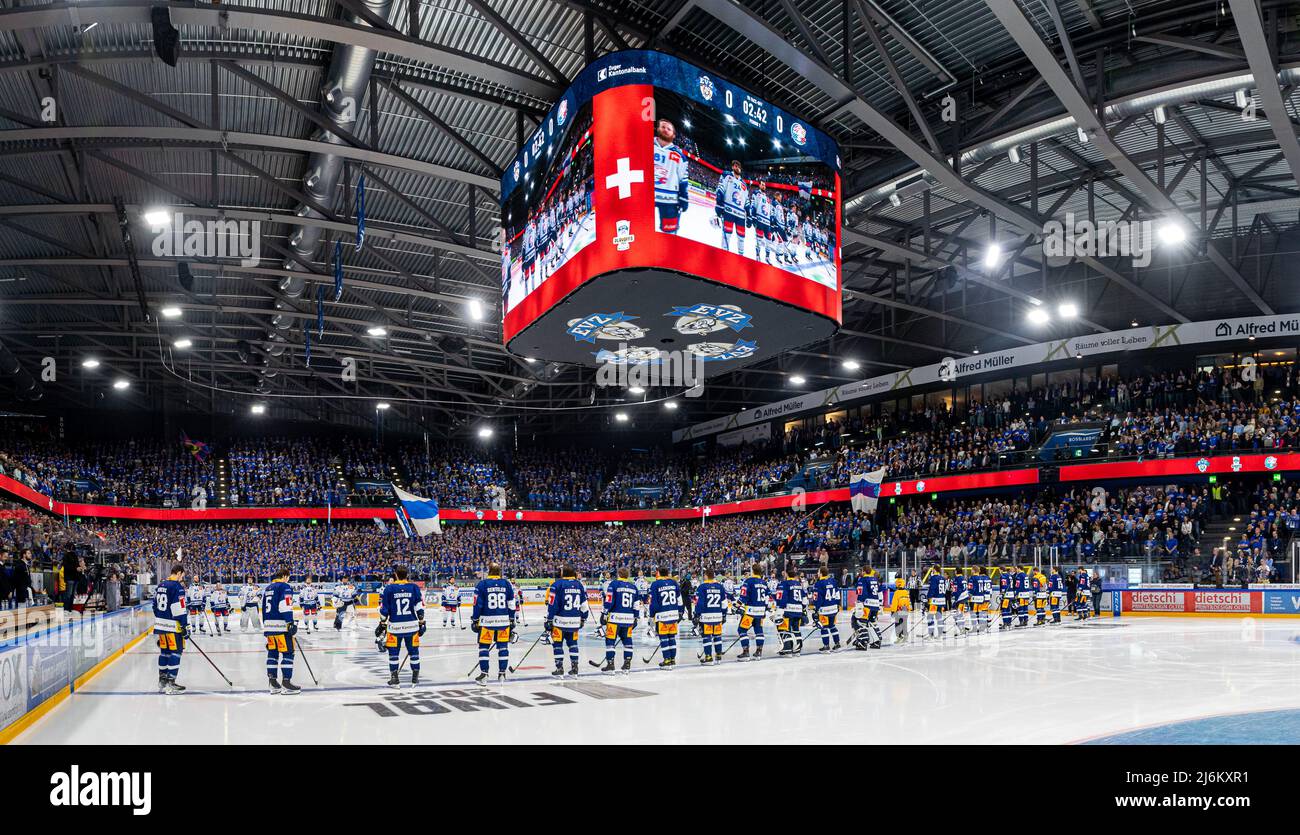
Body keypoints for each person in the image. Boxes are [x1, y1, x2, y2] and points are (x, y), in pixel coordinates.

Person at [377, 565, 425, 688]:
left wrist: (382, 623)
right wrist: (422, 622)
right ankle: (415, 678)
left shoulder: (389, 588)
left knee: (393, 654)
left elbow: (385, 610)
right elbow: (419, 607)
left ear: (396, 575)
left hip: (395, 627)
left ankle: (394, 679)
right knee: (414, 652)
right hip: (412, 626)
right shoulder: (413, 587)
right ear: (407, 575)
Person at [471, 562, 515, 686]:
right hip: (503, 621)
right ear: (499, 571)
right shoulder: (506, 584)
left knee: (484, 647)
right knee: (503, 648)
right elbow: (512, 603)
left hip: (487, 622)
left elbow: (477, 604)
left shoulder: (482, 584)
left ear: (489, 571)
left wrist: (475, 619)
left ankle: (484, 675)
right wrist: (512, 619)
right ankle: (502, 674)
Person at [261, 565, 300, 695]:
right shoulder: (285, 587)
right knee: (288, 653)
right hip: (281, 627)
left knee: (273, 653)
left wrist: (266, 626)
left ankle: (273, 683)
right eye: (288, 577)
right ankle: (287, 683)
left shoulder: (267, 588)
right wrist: (290, 623)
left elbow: (263, 608)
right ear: (284, 576)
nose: (288, 580)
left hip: (269, 627)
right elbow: (285, 605)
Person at [545, 564, 588, 678]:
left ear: (563, 573)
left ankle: (560, 668)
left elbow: (552, 604)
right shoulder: (579, 585)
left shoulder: (557, 584)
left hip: (560, 621)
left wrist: (549, 619)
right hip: (574, 621)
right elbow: (584, 605)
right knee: (573, 644)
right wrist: (583, 617)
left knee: (557, 644)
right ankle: (575, 668)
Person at [153, 563, 189, 695]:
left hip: (160, 625)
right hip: (173, 627)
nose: (182, 579)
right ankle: (171, 683)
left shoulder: (161, 585)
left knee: (164, 652)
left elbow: (154, 605)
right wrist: (185, 627)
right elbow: (179, 609)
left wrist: (160, 619)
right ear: (179, 573)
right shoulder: (177, 587)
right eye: (182, 576)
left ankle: (162, 681)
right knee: (175, 652)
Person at [600, 567, 639, 674]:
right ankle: (627, 664)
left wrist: (604, 613)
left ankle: (610, 664)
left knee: (610, 641)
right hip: (628, 619)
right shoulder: (633, 587)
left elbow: (609, 601)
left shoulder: (614, 584)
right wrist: (636, 618)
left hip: (615, 619)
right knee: (627, 641)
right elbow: (636, 605)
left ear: (618, 574)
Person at [647, 566, 684, 668]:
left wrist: (651, 616)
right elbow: (679, 599)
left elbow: (653, 603)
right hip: (673, 614)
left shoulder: (655, 584)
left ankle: (667, 659)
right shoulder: (673, 582)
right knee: (672, 637)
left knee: (663, 639)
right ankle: (672, 659)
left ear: (658, 572)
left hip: (662, 615)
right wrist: (680, 612)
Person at [735, 562, 770, 661]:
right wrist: (765, 608)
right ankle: (759, 652)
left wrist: (737, 605)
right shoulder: (764, 582)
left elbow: (743, 596)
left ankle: (746, 652)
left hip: (750, 611)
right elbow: (767, 597)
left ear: (752, 571)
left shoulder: (748, 581)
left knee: (742, 630)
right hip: (760, 611)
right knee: (759, 630)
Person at [693, 567, 727, 665]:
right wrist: (724, 615)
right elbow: (724, 603)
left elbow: (699, 603)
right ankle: (718, 656)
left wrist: (696, 615)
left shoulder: (702, 587)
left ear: (706, 576)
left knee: (706, 636)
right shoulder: (720, 587)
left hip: (706, 617)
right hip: (717, 616)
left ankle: (708, 657)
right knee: (717, 636)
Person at [775, 565, 807, 656]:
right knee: (796, 629)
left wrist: (779, 610)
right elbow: (805, 600)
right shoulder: (799, 585)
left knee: (784, 629)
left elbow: (782, 598)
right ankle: (797, 650)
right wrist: (803, 609)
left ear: (786, 574)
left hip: (788, 611)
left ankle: (788, 649)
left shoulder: (784, 584)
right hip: (798, 611)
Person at [811, 565, 841, 653]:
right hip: (833, 608)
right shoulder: (833, 581)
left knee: (824, 627)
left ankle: (826, 646)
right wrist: (838, 605)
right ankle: (837, 644)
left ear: (821, 573)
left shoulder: (819, 583)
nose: (817, 573)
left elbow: (817, 598)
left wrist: (816, 609)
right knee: (832, 626)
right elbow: (837, 594)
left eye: (818, 572)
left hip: (824, 609)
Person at [852, 565, 882, 649]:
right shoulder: (874, 579)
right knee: (872, 622)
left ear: (864, 571)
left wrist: (859, 603)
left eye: (861, 571)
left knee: (861, 622)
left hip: (867, 605)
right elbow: (879, 590)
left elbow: (862, 593)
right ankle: (877, 641)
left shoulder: (863, 580)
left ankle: (863, 642)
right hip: (875, 604)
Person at [923, 565, 947, 639]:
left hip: (935, 601)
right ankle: (940, 634)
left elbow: (932, 589)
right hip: (941, 600)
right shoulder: (943, 578)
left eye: (933, 569)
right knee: (939, 617)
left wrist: (928, 598)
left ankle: (931, 635)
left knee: (930, 617)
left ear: (935, 569)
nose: (932, 570)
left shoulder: (933, 578)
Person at [887, 576, 912, 643]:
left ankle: (899, 637)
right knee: (904, 624)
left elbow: (894, 603)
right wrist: (908, 610)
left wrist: (893, 611)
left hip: (898, 611)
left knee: (898, 624)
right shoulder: (906, 592)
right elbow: (908, 602)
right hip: (905, 611)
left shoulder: (897, 592)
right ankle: (905, 635)